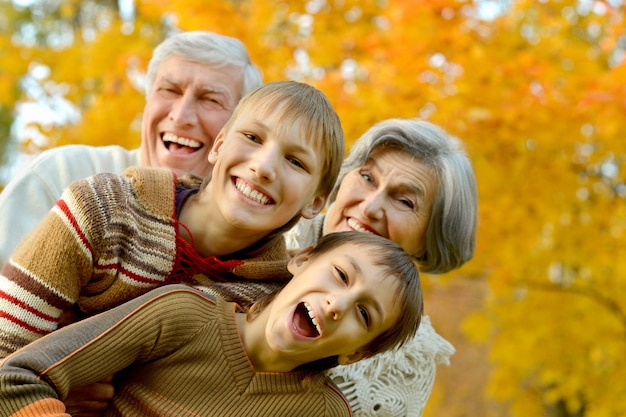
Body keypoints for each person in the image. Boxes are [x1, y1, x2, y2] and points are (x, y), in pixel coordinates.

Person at [0, 80, 345, 359]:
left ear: (315, 202)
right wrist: (58, 383)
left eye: (296, 162)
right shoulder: (103, 208)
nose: (264, 167)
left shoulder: (270, 302)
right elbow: (6, 346)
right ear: (219, 145)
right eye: (252, 138)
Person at [0, 232, 423, 417]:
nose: (337, 304)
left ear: (358, 351)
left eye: (364, 315)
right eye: (341, 275)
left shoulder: (325, 413)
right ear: (302, 260)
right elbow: (17, 378)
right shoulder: (181, 314)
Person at [0, 30, 263, 268]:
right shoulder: (60, 174)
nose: (182, 115)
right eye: (169, 90)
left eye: (211, 99)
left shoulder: (255, 229)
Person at [284, 118, 478, 416]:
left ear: (431, 239)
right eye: (368, 177)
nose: (370, 207)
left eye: (404, 201)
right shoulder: (266, 224)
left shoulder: (407, 361)